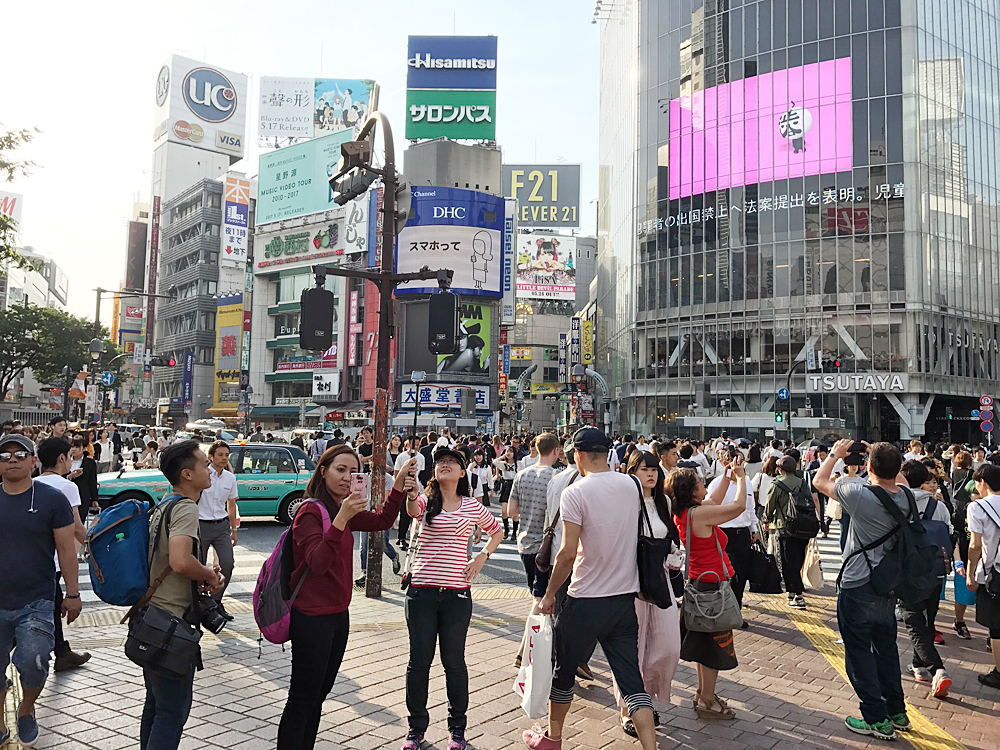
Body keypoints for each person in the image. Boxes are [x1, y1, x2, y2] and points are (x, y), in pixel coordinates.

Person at [524, 428, 657, 750]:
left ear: (578, 456)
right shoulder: (631, 484)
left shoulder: (576, 492)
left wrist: (550, 593)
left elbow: (568, 552)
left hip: (584, 599)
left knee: (564, 672)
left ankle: (553, 740)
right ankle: (652, 748)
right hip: (624, 598)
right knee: (631, 681)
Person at [277, 446, 407, 750]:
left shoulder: (341, 508)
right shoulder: (311, 511)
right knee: (302, 697)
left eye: (353, 472)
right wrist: (340, 521)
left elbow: (381, 521)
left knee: (319, 695)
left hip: (338, 615)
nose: (348, 477)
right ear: (323, 470)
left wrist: (398, 482)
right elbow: (318, 563)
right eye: (340, 470)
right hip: (311, 617)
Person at [401, 447, 502, 750]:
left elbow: (495, 532)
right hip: (421, 594)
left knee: (453, 662)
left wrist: (482, 557)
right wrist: (409, 492)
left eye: (452, 462)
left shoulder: (471, 506)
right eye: (440, 462)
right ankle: (415, 730)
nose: (445, 465)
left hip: (457, 595)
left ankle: (457, 729)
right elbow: (413, 511)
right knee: (419, 662)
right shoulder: (425, 502)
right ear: (435, 472)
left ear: (461, 472)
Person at [812, 440, 910, 741]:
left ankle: (875, 718)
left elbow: (819, 481)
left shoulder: (859, 494)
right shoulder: (907, 496)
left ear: (868, 466)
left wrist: (834, 455)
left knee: (858, 653)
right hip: (888, 585)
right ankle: (897, 711)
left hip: (858, 585)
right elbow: (899, 476)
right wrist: (880, 452)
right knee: (886, 650)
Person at [139, 440, 225, 750]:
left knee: (156, 706)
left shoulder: (165, 504)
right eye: (205, 464)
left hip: (150, 617)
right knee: (173, 712)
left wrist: (198, 575)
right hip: (171, 623)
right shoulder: (186, 508)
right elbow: (179, 561)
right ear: (187, 474)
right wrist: (210, 574)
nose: (212, 469)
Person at [0, 433, 82, 747]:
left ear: (34, 461)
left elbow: (66, 549)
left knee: (34, 662)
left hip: (36, 599)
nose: (12, 461)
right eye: (5, 456)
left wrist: (72, 594)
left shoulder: (51, 499)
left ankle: (27, 707)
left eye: (19, 454)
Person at [669, 460, 746, 721]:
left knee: (704, 644)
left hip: (700, 584)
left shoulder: (687, 512)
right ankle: (707, 700)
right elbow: (738, 507)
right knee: (715, 648)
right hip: (712, 589)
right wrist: (742, 478)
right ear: (692, 491)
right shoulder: (699, 514)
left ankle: (703, 693)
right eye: (700, 482)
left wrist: (728, 473)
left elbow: (715, 497)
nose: (705, 484)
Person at [613, 450, 681, 737]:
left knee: (667, 646)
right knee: (634, 648)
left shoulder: (664, 501)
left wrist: (675, 556)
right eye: (642, 469)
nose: (650, 474)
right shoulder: (625, 501)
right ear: (631, 472)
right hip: (631, 582)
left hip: (661, 579)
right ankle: (630, 707)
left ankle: (646, 699)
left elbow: (671, 538)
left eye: (652, 469)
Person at [896, 460, 953, 697]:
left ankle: (937, 669)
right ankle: (919, 666)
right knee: (928, 619)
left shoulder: (898, 502)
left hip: (908, 570)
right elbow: (949, 534)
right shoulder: (938, 505)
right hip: (935, 569)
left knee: (914, 622)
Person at [34, 437, 91, 673]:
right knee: (49, 604)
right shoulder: (68, 487)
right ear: (61, 459)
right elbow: (77, 526)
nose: (71, 461)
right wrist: (92, 543)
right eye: (69, 457)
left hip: (34, 557)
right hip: (55, 559)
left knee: (50, 603)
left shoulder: (31, 483)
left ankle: (62, 651)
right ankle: (59, 651)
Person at [508, 433, 562, 667]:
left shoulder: (522, 474)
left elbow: (511, 511)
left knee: (537, 595)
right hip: (546, 548)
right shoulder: (556, 478)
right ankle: (523, 652)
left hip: (524, 543)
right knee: (540, 599)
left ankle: (541, 648)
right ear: (556, 451)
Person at [706, 446, 757, 618]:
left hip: (742, 533)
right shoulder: (716, 484)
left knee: (741, 574)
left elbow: (750, 508)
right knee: (723, 574)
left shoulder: (747, 482)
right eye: (734, 462)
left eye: (741, 462)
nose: (738, 466)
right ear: (724, 463)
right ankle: (721, 609)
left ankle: (736, 610)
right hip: (722, 533)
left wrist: (754, 529)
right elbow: (710, 507)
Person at [966, 463, 1000, 688]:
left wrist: (970, 573)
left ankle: (999, 672)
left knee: (997, 626)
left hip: (994, 573)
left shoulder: (978, 507)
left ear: (983, 483)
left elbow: (975, 545)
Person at [197, 441, 239, 621]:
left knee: (227, 564)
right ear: (211, 457)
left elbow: (231, 503)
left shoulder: (230, 478)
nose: (224, 458)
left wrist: (234, 529)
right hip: (200, 525)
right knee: (198, 566)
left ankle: (216, 602)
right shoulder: (203, 475)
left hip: (221, 525)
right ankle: (198, 604)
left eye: (226, 455)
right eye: (220, 455)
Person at [764, 455, 811, 609]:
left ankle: (798, 595)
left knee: (787, 561)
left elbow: (769, 507)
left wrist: (767, 520)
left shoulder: (778, 484)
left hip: (784, 527)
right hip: (803, 527)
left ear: (780, 469)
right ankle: (792, 591)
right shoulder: (802, 483)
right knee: (798, 560)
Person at [69, 435, 100, 515]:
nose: (74, 449)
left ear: (83, 448)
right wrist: (71, 476)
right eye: (72, 447)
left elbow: (92, 481)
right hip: (67, 495)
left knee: (80, 520)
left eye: (77, 447)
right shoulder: (66, 461)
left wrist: (94, 499)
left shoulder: (90, 462)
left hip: (83, 496)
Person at [494, 446, 518, 540]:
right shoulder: (503, 464)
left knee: (515, 511)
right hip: (506, 485)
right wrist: (502, 456)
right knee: (504, 510)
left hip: (515, 485)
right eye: (507, 451)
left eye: (511, 452)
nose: (509, 453)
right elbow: (495, 462)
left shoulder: (518, 464)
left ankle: (515, 532)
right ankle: (506, 529)